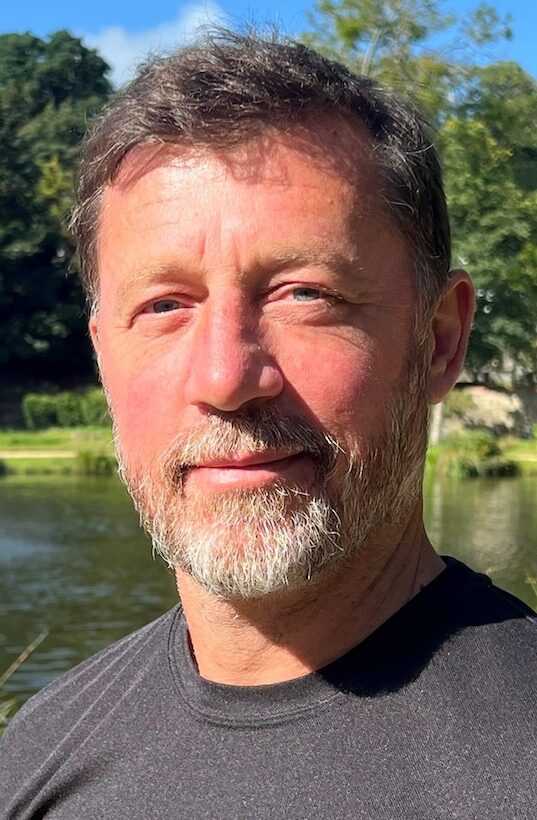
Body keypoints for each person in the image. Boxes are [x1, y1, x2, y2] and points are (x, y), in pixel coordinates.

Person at [1, 29, 535, 820]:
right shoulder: (37, 758)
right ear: (103, 358)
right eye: (163, 307)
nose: (225, 378)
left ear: (438, 340)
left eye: (303, 294)